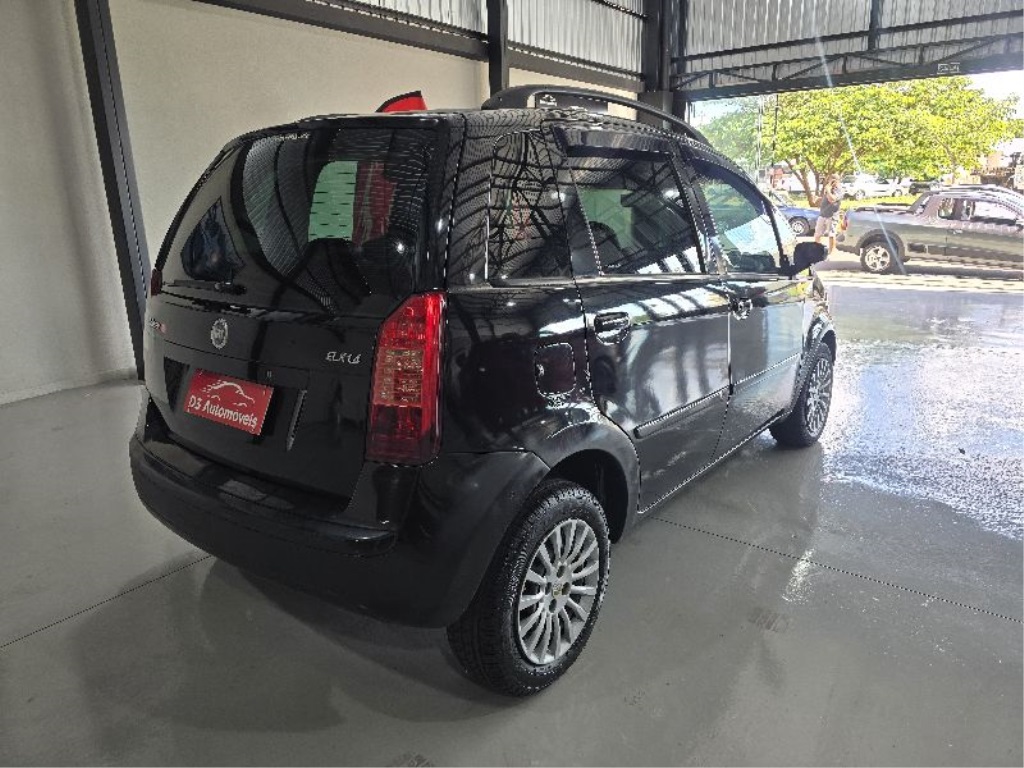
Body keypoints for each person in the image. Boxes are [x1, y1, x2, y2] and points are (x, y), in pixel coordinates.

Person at [814, 175, 843, 252]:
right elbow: (826, 199)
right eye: (830, 180)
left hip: (831, 216)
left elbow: (832, 199)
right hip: (823, 214)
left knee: (831, 235)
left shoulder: (839, 190)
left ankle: (831, 251)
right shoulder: (829, 189)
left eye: (833, 180)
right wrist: (819, 199)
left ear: (837, 181)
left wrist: (828, 190)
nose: (830, 182)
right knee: (817, 234)